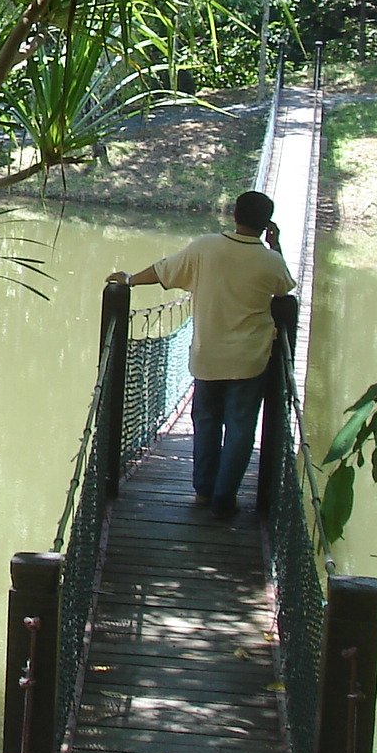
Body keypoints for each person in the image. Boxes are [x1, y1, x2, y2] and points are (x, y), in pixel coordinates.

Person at [107, 190, 294, 520]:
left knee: (205, 422)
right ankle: (225, 496)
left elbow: (165, 271)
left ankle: (203, 490)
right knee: (240, 428)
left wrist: (130, 280)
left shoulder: (205, 248)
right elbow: (285, 287)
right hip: (250, 360)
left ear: (234, 215)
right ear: (267, 224)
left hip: (208, 355)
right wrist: (274, 245)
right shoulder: (270, 261)